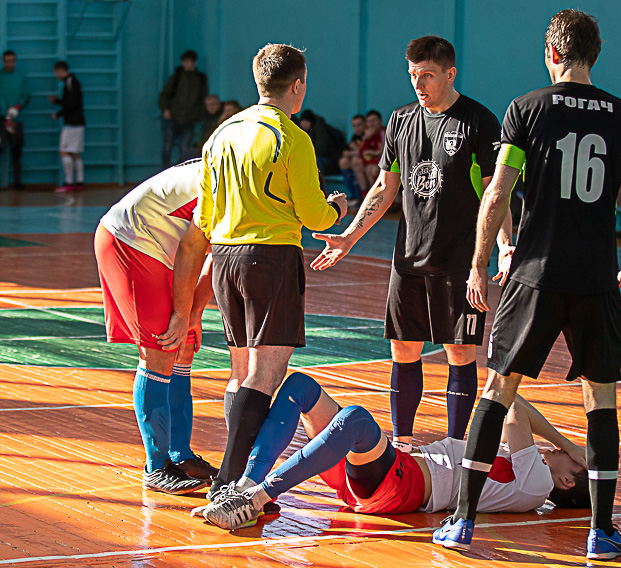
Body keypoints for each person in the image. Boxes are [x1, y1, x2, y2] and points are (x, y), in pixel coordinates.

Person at [453, 10, 621, 560]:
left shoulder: (527, 108)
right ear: (596, 53)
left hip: (535, 276)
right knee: (601, 400)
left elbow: (497, 193)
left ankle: (463, 522)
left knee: (498, 390)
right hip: (595, 280)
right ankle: (602, 531)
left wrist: (478, 264)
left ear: (552, 53)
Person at [158, 44, 348, 502]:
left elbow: (204, 218)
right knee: (267, 373)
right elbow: (314, 215)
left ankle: (239, 472)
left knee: (241, 371)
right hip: (271, 258)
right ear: (298, 85)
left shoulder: (221, 134)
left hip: (224, 259)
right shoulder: (292, 137)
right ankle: (230, 482)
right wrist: (336, 210)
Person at [310, 35, 512, 452]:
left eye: (428, 76)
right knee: (403, 348)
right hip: (408, 259)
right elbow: (384, 188)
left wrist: (505, 246)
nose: (419, 84)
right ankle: (402, 442)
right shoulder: (401, 120)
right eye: (413, 75)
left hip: (458, 261)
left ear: (450, 74)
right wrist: (348, 238)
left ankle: (456, 445)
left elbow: (497, 194)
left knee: (460, 352)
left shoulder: (478, 122)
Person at [194, 372, 591, 530]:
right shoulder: (528, 474)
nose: (560, 449)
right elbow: (506, 408)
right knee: (300, 387)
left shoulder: (538, 485)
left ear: (568, 480)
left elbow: (512, 404)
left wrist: (570, 444)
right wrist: (567, 449)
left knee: (355, 420)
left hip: (401, 488)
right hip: (388, 473)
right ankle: (246, 488)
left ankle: (257, 496)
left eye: (571, 460)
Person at [94, 158, 219, 493]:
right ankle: (156, 466)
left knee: (184, 346)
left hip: (162, 247)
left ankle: (180, 455)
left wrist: (193, 313)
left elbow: (217, 254)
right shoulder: (232, 183)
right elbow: (199, 250)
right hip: (130, 242)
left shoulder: (249, 177)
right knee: (162, 349)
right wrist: (184, 312)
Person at [159, 50, 209, 167]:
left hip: (189, 121)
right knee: (167, 147)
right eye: (184, 62)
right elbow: (165, 94)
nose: (186, 64)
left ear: (194, 62)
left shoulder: (201, 78)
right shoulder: (177, 76)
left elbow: (203, 99)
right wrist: (165, 109)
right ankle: (165, 170)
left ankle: (181, 172)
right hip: (173, 118)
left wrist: (198, 116)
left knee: (184, 149)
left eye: (188, 62)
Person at [0, 50, 30, 190]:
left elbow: (26, 95)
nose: (9, 64)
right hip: (0, 120)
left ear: (15, 61)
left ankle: (18, 182)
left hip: (16, 119)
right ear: (3, 61)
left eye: (12, 61)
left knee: (16, 151)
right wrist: (3, 113)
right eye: (6, 61)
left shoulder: (20, 77)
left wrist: (17, 107)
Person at [49, 61, 85, 192]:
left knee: (64, 151)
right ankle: (80, 182)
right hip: (78, 122)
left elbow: (71, 104)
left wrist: (59, 114)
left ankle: (68, 182)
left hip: (72, 123)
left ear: (60, 70)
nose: (56, 75)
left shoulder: (70, 83)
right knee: (74, 153)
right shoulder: (74, 82)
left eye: (56, 72)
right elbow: (70, 102)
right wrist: (57, 101)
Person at [351, 110, 385, 190]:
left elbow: (386, 152)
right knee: (357, 164)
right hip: (372, 161)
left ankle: (376, 195)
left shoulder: (385, 132)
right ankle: (364, 194)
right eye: (369, 121)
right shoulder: (368, 134)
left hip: (383, 163)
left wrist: (374, 153)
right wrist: (367, 138)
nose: (372, 124)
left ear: (380, 121)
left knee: (371, 169)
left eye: (374, 120)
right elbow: (362, 153)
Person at [338, 114, 367, 200]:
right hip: (358, 161)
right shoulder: (356, 137)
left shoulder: (368, 135)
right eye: (354, 126)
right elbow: (345, 152)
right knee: (343, 161)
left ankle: (359, 197)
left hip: (368, 164)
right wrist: (355, 152)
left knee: (355, 161)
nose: (357, 128)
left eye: (359, 125)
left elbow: (366, 153)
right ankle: (353, 195)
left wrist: (356, 151)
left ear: (365, 124)